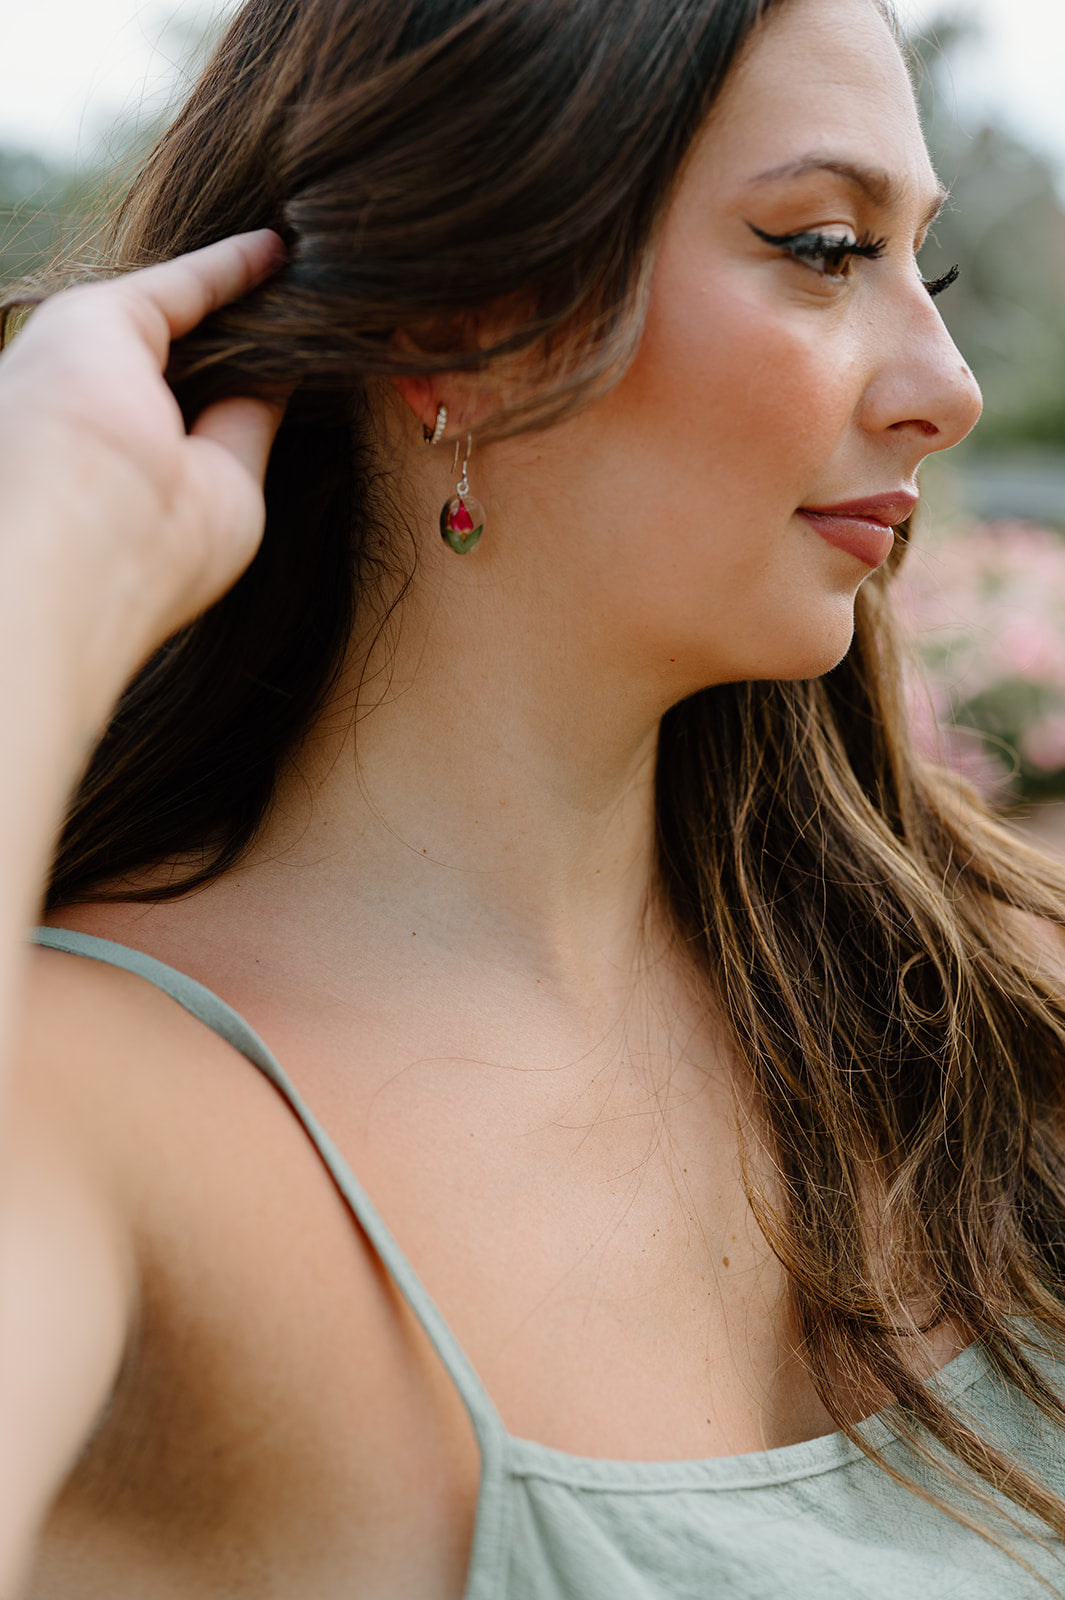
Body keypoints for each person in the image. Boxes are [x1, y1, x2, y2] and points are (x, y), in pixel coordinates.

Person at [3, 0, 1065, 1592]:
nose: (945, 384)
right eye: (826, 247)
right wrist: (41, 573)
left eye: (933, 267)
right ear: (458, 328)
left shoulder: (989, 999)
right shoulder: (99, 1116)